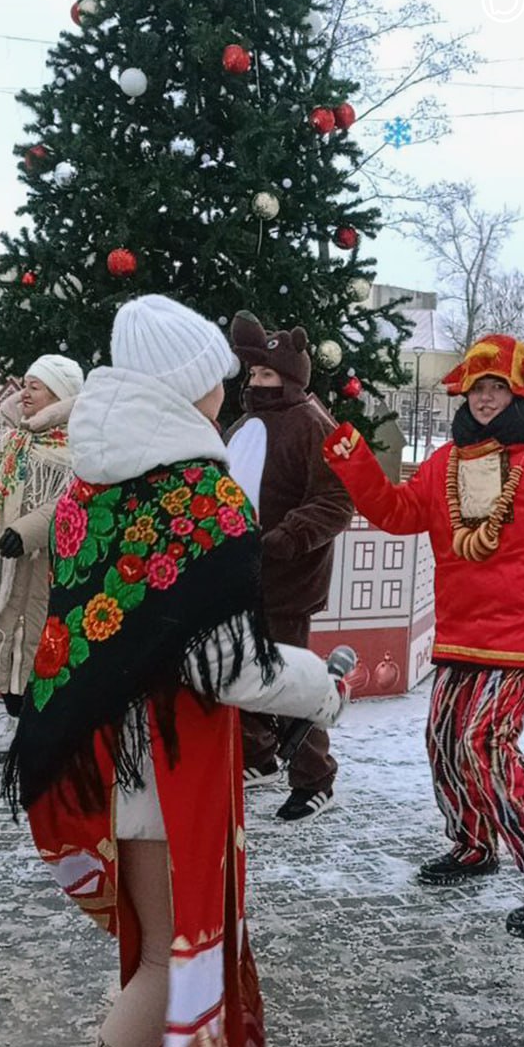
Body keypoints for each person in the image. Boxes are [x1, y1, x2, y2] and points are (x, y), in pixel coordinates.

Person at [3, 295, 349, 1047]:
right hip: (166, 760)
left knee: (153, 941)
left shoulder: (91, 479)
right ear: (191, 382)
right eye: (218, 379)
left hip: (98, 747)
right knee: (166, 951)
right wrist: (321, 690)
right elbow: (224, 666)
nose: (225, 393)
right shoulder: (197, 493)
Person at [323, 333, 524, 938]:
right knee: (443, 740)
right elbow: (400, 514)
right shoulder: (444, 463)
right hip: (462, 633)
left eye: (497, 388)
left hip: (520, 636)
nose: (486, 398)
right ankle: (474, 843)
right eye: (478, 388)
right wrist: (355, 460)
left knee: (484, 744)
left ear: (519, 394)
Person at [225, 310, 353, 821]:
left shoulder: (312, 425)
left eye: (269, 375)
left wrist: (284, 539)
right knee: (239, 668)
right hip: (237, 576)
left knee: (289, 678)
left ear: (293, 376)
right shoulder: (242, 423)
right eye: (254, 374)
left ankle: (315, 775)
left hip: (285, 579)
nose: (258, 383)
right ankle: (257, 756)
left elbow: (335, 500)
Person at [0, 354, 84, 754]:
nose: (25, 395)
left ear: (60, 395)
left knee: (36, 636)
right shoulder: (13, 437)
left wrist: (25, 531)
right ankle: (13, 715)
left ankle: (34, 722)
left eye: (35, 388)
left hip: (44, 562)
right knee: (4, 632)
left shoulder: (75, 445)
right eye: (26, 385)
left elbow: (68, 500)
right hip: (2, 563)